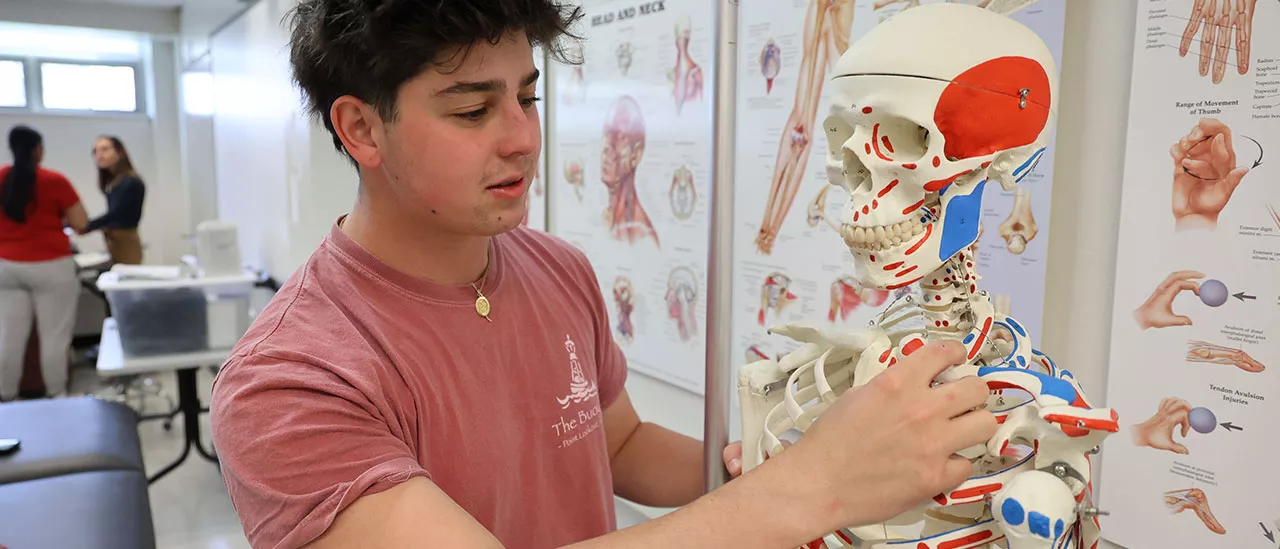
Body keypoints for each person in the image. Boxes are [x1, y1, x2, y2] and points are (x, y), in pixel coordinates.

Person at [209, 2, 996, 548]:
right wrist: (814, 485)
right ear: (359, 128)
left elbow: (617, 444)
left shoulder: (557, 269)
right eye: (473, 110)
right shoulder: (290, 380)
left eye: (527, 96)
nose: (522, 137)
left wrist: (782, 451)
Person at [0, 125, 89, 401]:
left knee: (8, 337)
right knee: (54, 337)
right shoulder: (53, 180)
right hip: (51, 266)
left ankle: (7, 399)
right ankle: (57, 394)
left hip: (7, 265)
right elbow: (81, 223)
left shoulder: (1, 177)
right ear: (38, 149)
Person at [81, 136, 145, 264]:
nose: (99, 155)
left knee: (127, 278)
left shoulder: (130, 181)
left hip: (126, 242)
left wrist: (86, 226)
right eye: (95, 152)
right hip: (114, 240)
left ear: (119, 152)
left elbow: (116, 214)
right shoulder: (114, 182)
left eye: (104, 149)